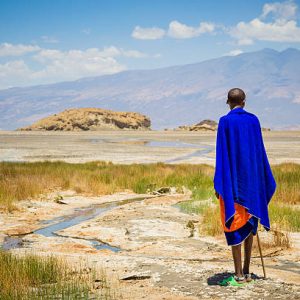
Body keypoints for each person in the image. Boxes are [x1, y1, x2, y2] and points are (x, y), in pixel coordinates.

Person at [214, 88, 276, 286]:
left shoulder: (225, 121)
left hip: (233, 185)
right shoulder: (254, 120)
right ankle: (248, 271)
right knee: (249, 224)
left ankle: (239, 274)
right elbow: (258, 153)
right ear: (245, 101)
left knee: (234, 224)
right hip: (252, 184)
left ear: (228, 102)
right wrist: (260, 181)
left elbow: (222, 155)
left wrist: (220, 182)